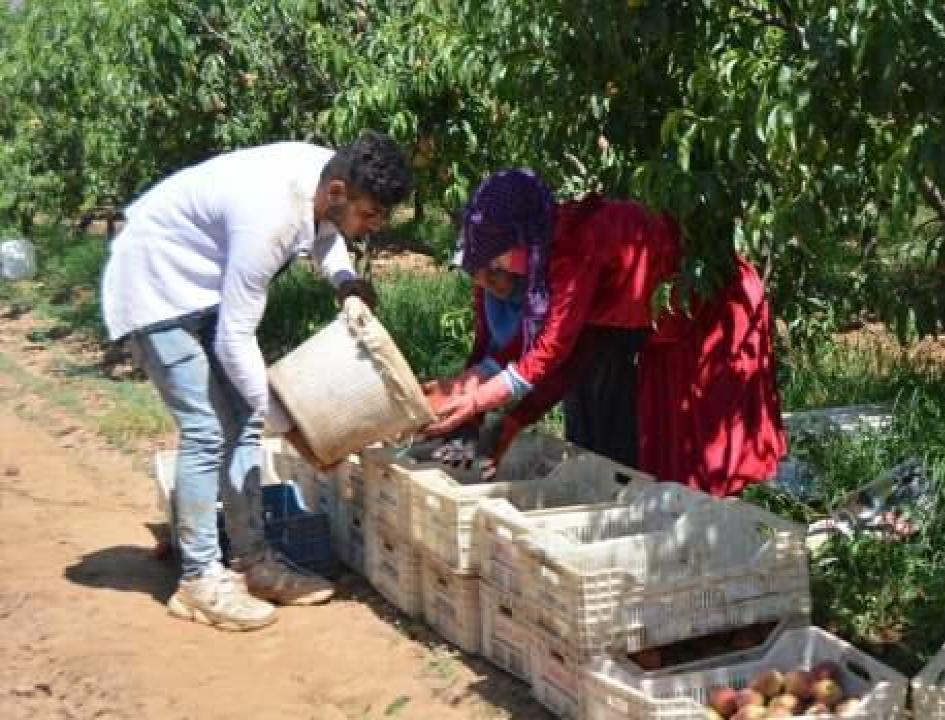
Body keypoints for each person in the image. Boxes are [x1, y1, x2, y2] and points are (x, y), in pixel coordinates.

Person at [101, 132, 412, 631]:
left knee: (242, 422)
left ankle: (253, 563)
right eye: (369, 214)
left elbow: (326, 236)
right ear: (337, 191)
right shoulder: (268, 216)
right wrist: (289, 423)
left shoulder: (324, 176)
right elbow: (235, 339)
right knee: (206, 429)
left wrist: (345, 282)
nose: (373, 226)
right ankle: (199, 580)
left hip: (205, 284)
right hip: (155, 285)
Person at [423, 168, 786, 497]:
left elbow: (553, 348)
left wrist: (477, 400)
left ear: (521, 236)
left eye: (499, 259)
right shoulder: (549, 253)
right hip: (667, 335)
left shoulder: (577, 247)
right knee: (663, 473)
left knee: (704, 463)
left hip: (709, 318)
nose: (497, 271)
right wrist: (509, 418)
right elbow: (563, 349)